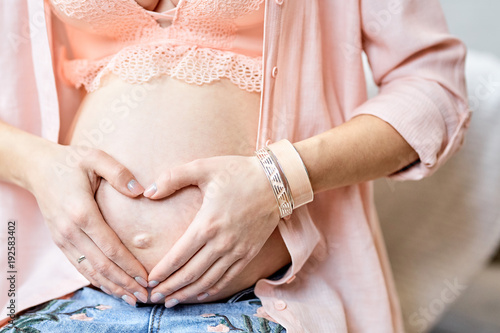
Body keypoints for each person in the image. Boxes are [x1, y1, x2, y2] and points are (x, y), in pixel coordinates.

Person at [0, 0, 471, 332]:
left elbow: (433, 92)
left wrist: (280, 178)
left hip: (263, 304)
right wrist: (38, 166)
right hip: (67, 295)